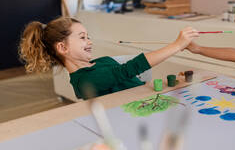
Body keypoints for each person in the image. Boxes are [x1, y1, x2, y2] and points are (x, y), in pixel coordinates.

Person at [19, 17, 199, 99]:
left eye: (88, 36)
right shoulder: (85, 81)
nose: (89, 41)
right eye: (82, 37)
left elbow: (135, 83)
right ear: (62, 47)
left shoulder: (103, 61)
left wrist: (174, 81)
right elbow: (131, 68)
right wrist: (177, 45)